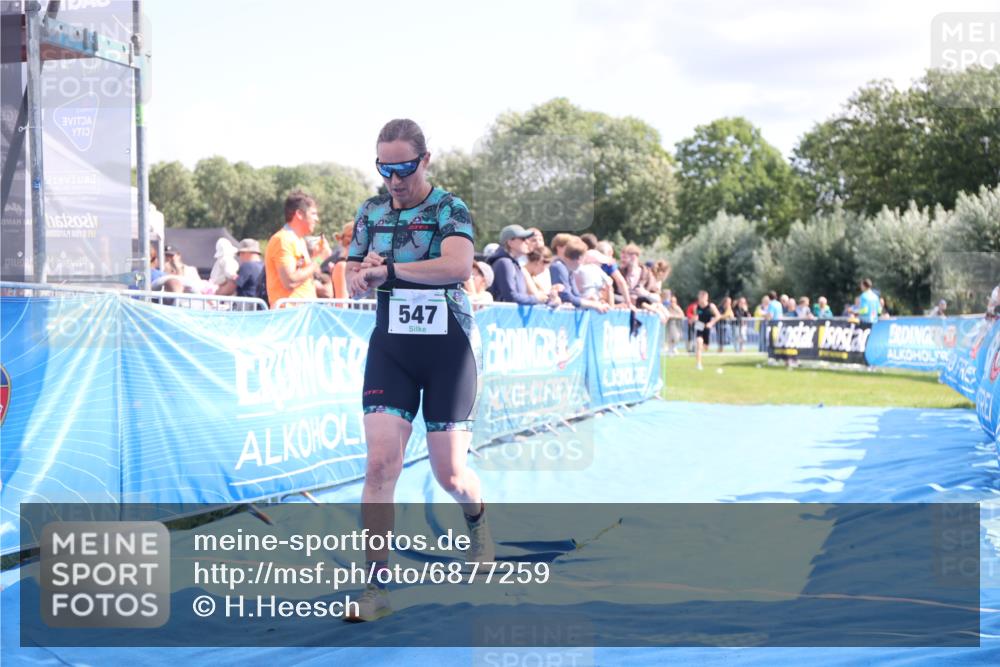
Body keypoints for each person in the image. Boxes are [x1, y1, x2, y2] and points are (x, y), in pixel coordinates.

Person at [344, 119, 492, 623]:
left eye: (404, 168)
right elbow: (350, 275)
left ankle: (477, 524)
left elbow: (457, 267)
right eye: (385, 168)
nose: (394, 179)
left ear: (425, 161)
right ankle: (376, 586)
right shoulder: (370, 211)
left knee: (449, 473)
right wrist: (360, 278)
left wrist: (391, 271)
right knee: (381, 466)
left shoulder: (450, 208)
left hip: (447, 349)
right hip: (393, 348)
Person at [264, 190, 319, 308]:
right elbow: (290, 281)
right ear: (299, 214)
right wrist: (317, 261)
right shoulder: (282, 239)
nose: (317, 219)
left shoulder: (300, 240)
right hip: (289, 317)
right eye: (313, 214)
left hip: (301, 314)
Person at [488, 224, 559, 305]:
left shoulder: (512, 263)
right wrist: (536, 299)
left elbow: (519, 296)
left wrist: (548, 299)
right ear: (510, 242)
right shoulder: (504, 263)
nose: (527, 242)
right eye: (523, 239)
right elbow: (511, 297)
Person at [550, 235, 608, 312]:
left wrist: (588, 300)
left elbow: (575, 295)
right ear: (580, 259)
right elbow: (565, 296)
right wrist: (594, 305)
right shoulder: (559, 267)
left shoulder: (569, 270)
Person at [693, 290, 721, 371]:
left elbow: (718, 316)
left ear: (706, 298)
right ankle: (698, 364)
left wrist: (711, 323)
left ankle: (701, 350)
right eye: (699, 297)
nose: (700, 299)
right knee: (699, 343)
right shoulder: (696, 307)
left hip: (707, 328)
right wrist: (695, 319)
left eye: (702, 297)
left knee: (705, 347)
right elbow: (696, 316)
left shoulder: (711, 306)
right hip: (699, 327)